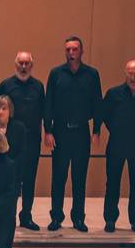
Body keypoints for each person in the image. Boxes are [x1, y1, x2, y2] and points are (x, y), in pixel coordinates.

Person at [43, 36, 102, 232]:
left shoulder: (92, 75)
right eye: (68, 49)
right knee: (58, 177)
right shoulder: (56, 74)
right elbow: (48, 103)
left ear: (81, 51)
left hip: (81, 132)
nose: (71, 53)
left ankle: (78, 218)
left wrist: (96, 130)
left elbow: (97, 102)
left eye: (74, 49)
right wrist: (48, 131)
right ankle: (56, 217)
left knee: (79, 177)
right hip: (59, 131)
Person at [101, 60, 135, 234]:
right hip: (116, 143)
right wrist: (117, 130)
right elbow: (106, 116)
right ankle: (110, 219)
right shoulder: (113, 94)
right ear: (125, 74)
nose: (133, 77)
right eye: (130, 73)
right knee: (112, 183)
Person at [0, 51, 45, 231]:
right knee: (9, 179)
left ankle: (26, 216)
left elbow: (43, 112)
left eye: (27, 64)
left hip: (32, 141)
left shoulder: (39, 87)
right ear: (15, 65)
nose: (23, 67)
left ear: (31, 65)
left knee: (29, 180)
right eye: (20, 63)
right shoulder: (6, 85)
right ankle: (6, 215)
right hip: (10, 141)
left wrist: (48, 132)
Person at [0, 96, 28, 248]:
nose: (1, 112)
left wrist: (6, 167)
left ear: (10, 111)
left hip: (11, 178)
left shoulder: (19, 128)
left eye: (4, 108)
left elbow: (22, 153)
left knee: (9, 214)